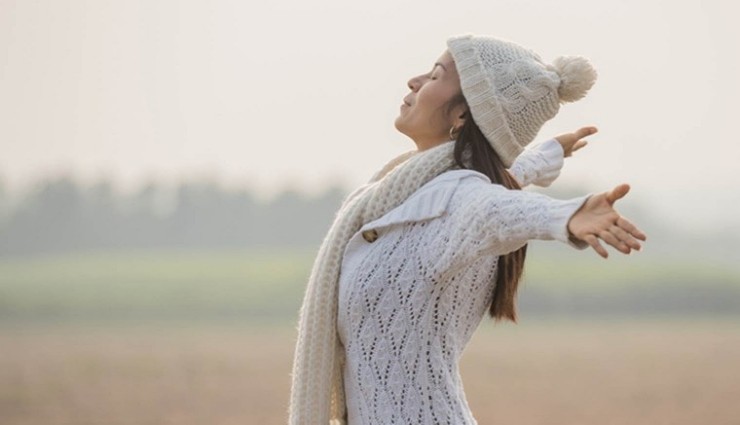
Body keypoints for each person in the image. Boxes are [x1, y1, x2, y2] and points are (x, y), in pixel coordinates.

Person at [288, 33, 647, 425]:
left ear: (462, 115)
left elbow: (493, 209)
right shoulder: (409, 191)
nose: (414, 81)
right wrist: (547, 155)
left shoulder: (460, 198)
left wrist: (566, 217)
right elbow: (502, 177)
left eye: (436, 75)